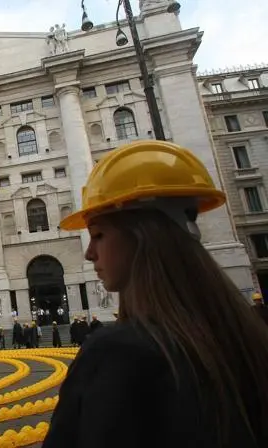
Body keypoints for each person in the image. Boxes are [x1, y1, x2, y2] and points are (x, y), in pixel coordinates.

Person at [42, 141, 268, 448]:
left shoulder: (117, 352)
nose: (89, 253)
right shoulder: (245, 337)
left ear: (142, 235)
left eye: (98, 235)